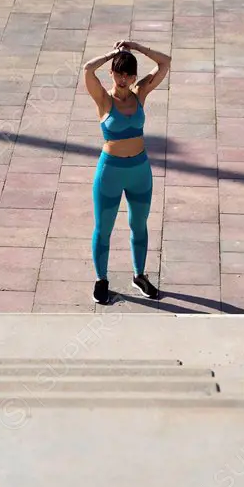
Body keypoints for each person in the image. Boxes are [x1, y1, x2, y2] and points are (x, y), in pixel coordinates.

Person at [81, 40, 172, 304]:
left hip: (140, 171)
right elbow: (87, 69)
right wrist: (115, 53)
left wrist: (136, 47)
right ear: (111, 73)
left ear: (134, 76)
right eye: (119, 73)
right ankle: (101, 280)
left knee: (139, 225)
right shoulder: (103, 99)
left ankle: (139, 275)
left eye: (129, 74)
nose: (124, 79)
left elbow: (165, 63)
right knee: (104, 228)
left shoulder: (140, 93)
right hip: (110, 172)